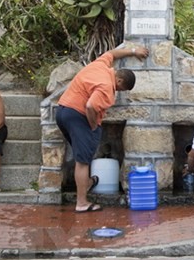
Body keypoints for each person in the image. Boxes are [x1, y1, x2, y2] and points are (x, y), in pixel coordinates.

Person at [56, 45, 149, 213]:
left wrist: (134, 51)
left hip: (62, 111)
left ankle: (89, 183)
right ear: (119, 81)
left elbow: (111, 53)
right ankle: (82, 203)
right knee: (83, 161)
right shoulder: (107, 86)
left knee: (82, 154)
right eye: (121, 89)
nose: (118, 92)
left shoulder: (101, 65)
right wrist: (92, 124)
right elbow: (91, 105)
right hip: (78, 116)